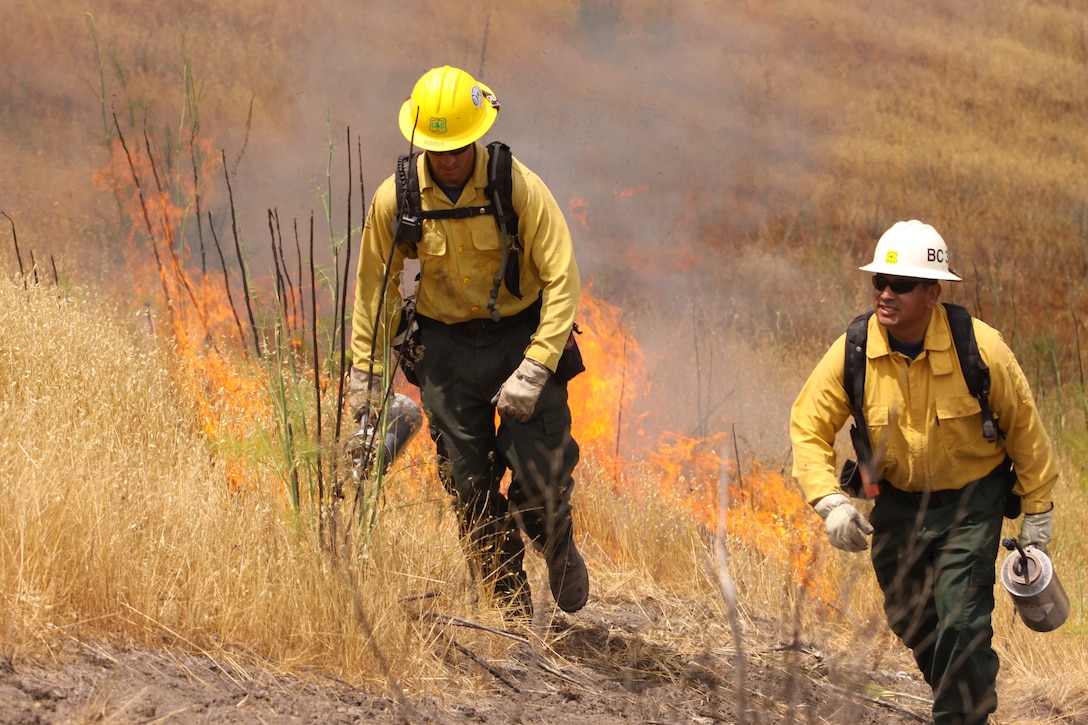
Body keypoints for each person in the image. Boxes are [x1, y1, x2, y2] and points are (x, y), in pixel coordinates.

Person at [790, 220, 1057, 725]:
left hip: (972, 503)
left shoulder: (981, 348)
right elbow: (808, 424)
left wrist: (1038, 515)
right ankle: (969, 694)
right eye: (879, 283)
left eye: (902, 285)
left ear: (934, 292)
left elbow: (1026, 431)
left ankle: (960, 715)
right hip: (898, 503)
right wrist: (829, 501)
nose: (886, 294)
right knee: (911, 617)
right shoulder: (853, 350)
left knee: (961, 617)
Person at [347, 65, 588, 620]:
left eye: (457, 145)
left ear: (476, 135)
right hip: (446, 352)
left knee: (541, 470)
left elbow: (562, 280)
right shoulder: (397, 199)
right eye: (437, 147)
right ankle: (508, 605)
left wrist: (536, 367)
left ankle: (555, 541)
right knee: (466, 484)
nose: (448, 157)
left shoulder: (516, 186)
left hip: (519, 337)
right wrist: (366, 374)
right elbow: (374, 289)